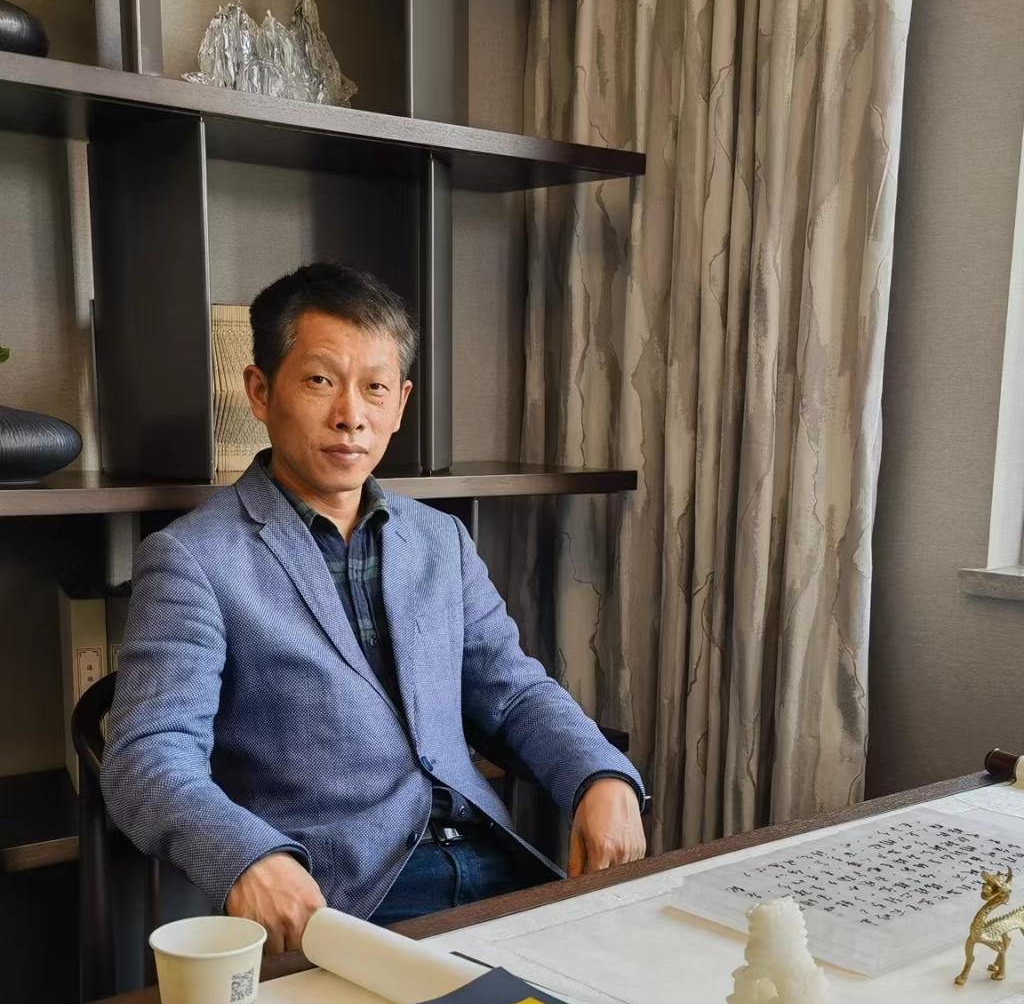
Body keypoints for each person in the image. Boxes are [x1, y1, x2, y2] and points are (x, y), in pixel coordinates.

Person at [101, 263, 646, 952]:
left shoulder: (441, 540)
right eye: (320, 380)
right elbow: (147, 756)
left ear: (400, 403)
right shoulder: (193, 559)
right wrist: (246, 857)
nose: (351, 415)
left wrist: (600, 774)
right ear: (260, 391)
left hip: (501, 871)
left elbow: (513, 695)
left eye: (375, 388)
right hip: (349, 904)